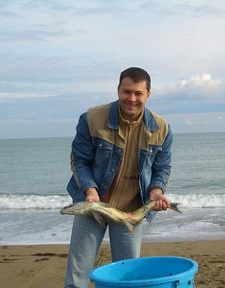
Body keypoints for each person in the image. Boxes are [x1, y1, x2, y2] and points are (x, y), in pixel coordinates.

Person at [64, 67, 173, 287]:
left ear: (148, 95)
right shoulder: (92, 119)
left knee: (127, 277)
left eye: (138, 93)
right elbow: (79, 160)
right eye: (127, 91)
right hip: (92, 206)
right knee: (78, 275)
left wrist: (156, 191)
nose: (132, 98)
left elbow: (162, 167)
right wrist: (90, 190)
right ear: (118, 90)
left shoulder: (162, 128)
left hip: (131, 211)